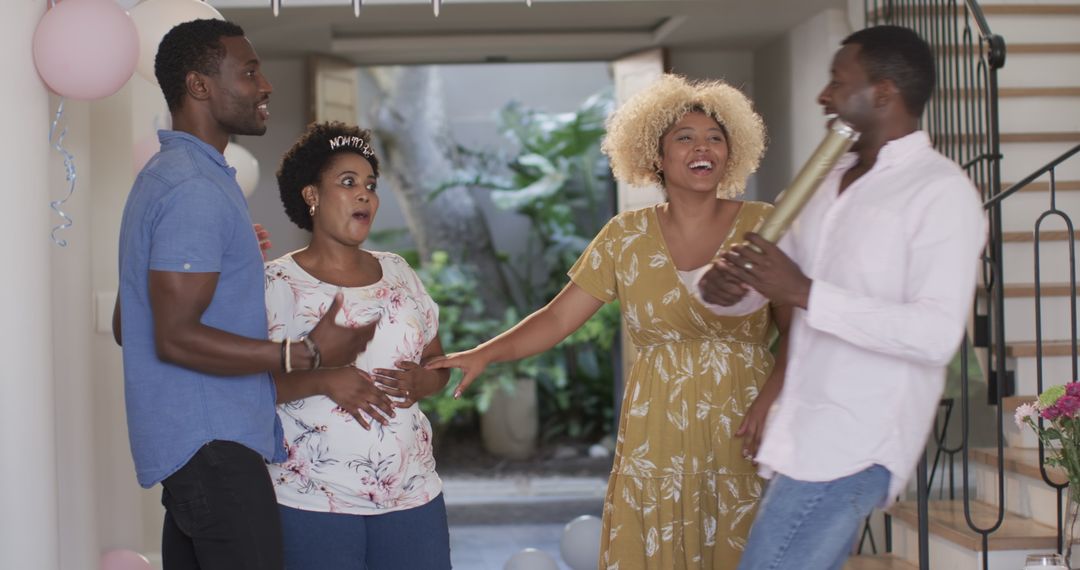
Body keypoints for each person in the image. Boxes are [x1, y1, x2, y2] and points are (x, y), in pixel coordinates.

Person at [429, 74, 790, 569]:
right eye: (684, 137)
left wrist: (770, 401)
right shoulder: (624, 236)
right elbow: (558, 318)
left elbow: (797, 326)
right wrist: (485, 353)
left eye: (714, 138)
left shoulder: (763, 224)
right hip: (657, 427)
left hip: (745, 422)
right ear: (656, 156)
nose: (702, 148)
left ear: (732, 152)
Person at [698, 26, 986, 570]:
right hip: (803, 433)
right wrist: (724, 291)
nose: (823, 96)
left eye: (837, 82)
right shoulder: (821, 183)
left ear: (883, 93)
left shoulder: (941, 192)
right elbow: (768, 285)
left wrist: (804, 291)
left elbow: (935, 335)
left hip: (862, 437)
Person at [114, 20, 378, 569]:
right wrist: (305, 352)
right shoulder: (194, 187)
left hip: (195, 455)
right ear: (200, 86)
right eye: (249, 71)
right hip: (214, 451)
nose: (266, 86)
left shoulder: (171, 175)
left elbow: (128, 324)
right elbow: (172, 337)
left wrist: (227, 268)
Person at [265, 121, 453, 570]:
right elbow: (249, 386)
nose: (365, 194)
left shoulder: (399, 270)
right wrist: (325, 381)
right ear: (311, 196)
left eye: (370, 184)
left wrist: (423, 381)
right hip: (311, 500)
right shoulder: (275, 282)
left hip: (414, 494)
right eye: (347, 183)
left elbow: (439, 363)